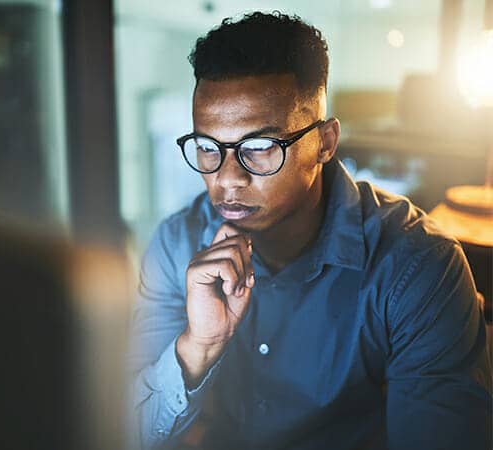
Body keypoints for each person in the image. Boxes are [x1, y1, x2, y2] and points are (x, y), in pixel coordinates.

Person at [127, 11, 492, 450]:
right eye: (208, 148)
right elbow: (124, 432)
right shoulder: (176, 245)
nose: (226, 178)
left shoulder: (416, 266)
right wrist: (197, 347)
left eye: (259, 148)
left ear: (324, 142)